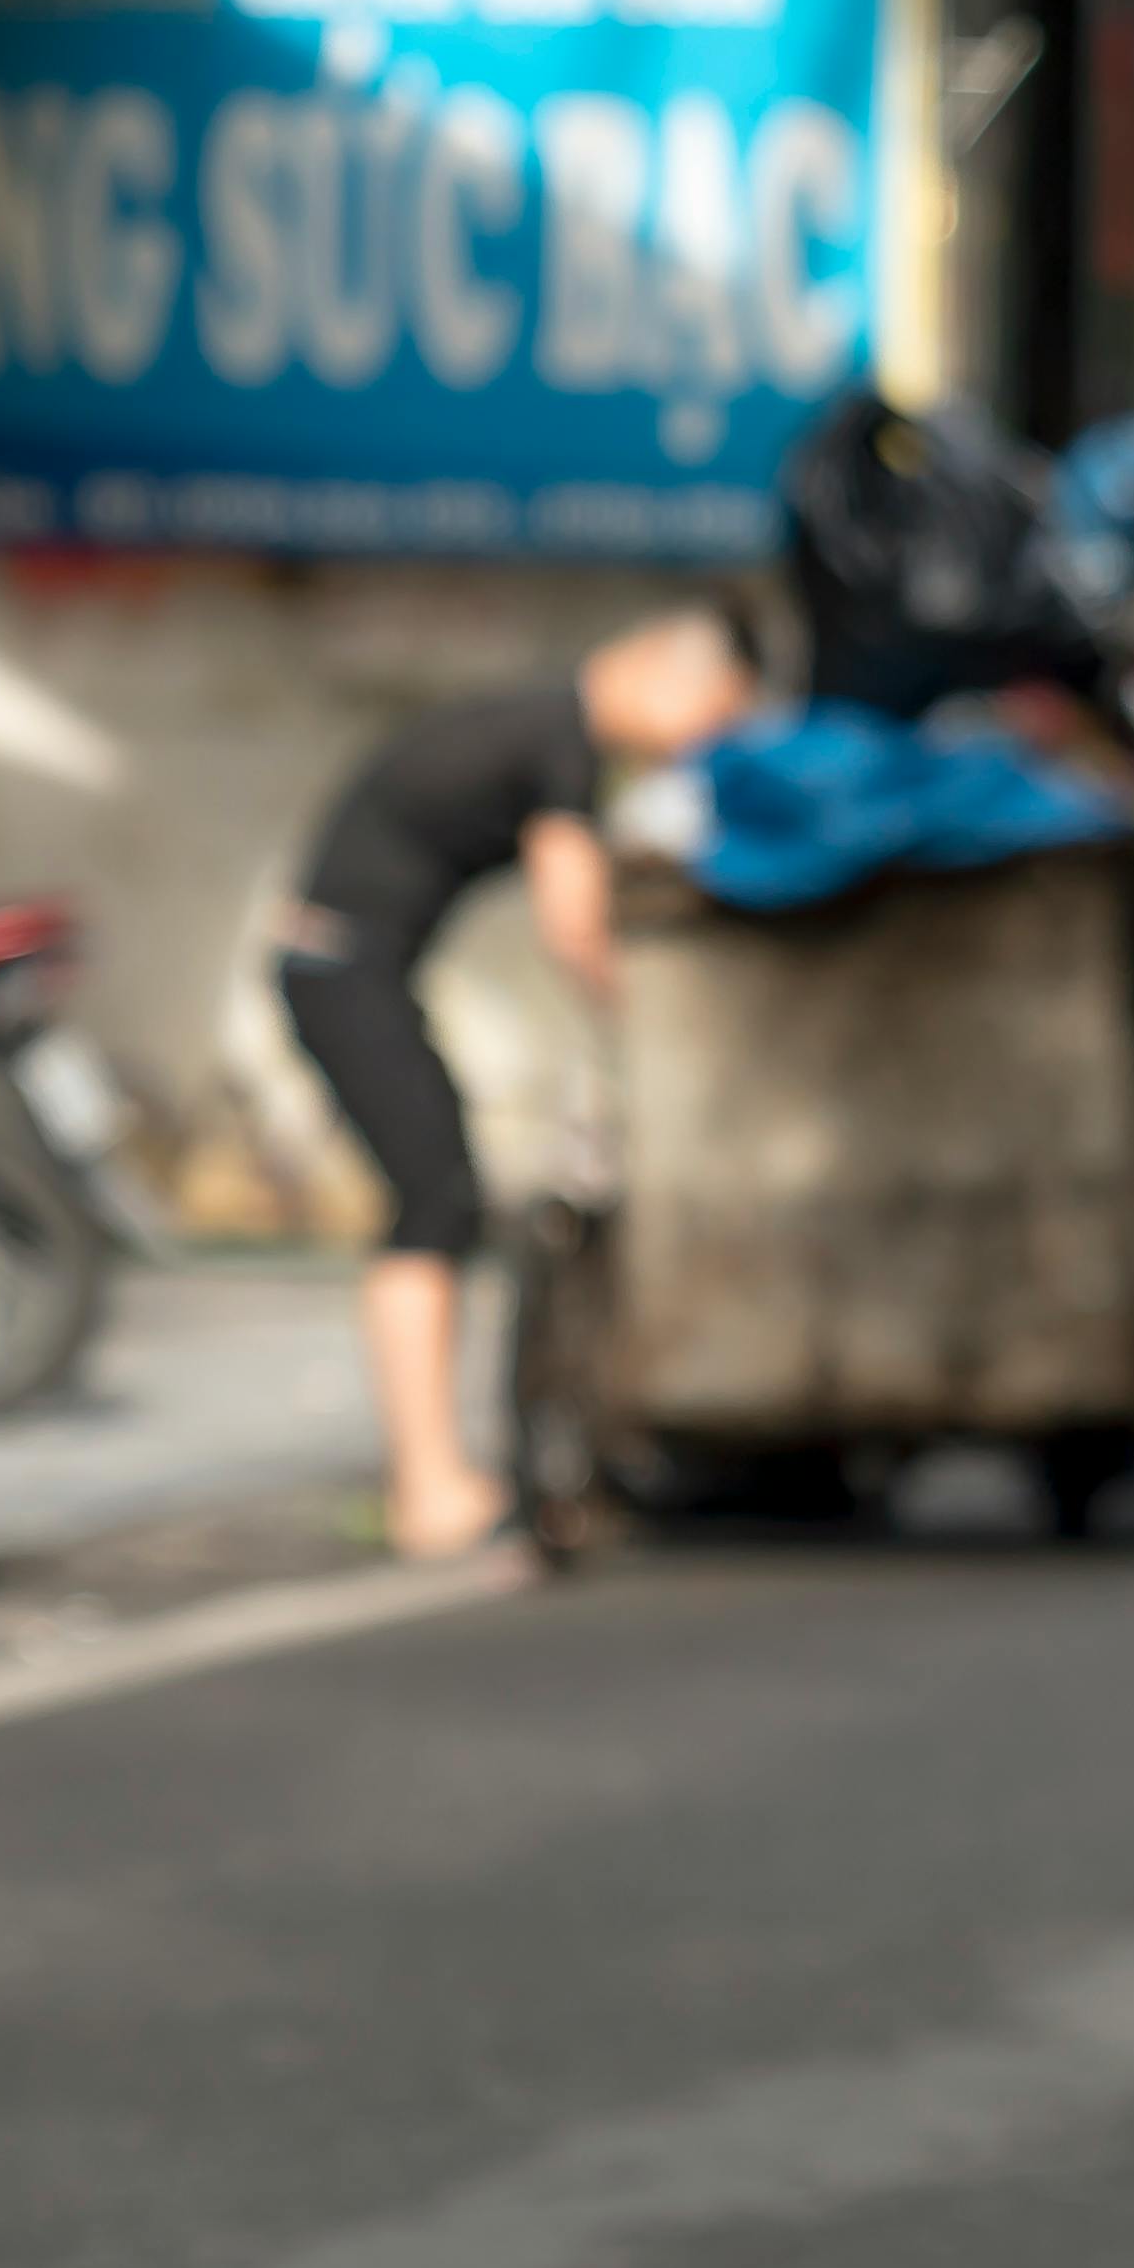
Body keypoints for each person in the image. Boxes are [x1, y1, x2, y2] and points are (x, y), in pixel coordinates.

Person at [275, 604, 765, 1559]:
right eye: (714, 715)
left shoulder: (544, 726)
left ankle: (434, 1475)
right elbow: (573, 922)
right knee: (435, 1200)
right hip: (340, 969)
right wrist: (658, 1033)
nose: (703, 744)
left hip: (355, 966)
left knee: (441, 1199)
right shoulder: (561, 744)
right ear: (666, 676)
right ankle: (426, 1486)